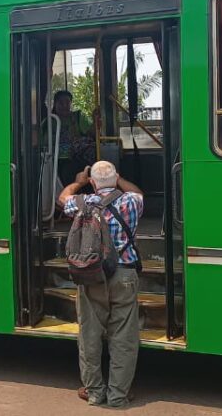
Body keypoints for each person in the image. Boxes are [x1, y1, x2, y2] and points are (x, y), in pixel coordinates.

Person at [57, 160, 144, 408]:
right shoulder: (131, 202)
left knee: (90, 335)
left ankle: (94, 392)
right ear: (116, 179)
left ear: (93, 182)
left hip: (90, 275)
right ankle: (118, 395)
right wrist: (118, 179)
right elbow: (138, 192)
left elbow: (62, 198)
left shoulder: (82, 203)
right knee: (124, 337)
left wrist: (79, 182)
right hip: (124, 274)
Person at [48, 90, 95, 180]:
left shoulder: (78, 117)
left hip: (75, 158)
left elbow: (92, 133)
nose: (65, 106)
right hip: (53, 160)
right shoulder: (49, 122)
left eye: (67, 102)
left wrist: (95, 122)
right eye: (61, 103)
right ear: (55, 104)